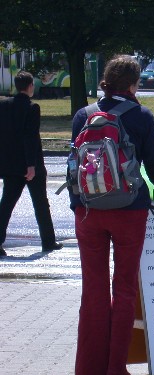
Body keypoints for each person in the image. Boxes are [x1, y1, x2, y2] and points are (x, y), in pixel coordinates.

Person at [70, 55, 154, 375]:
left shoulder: (83, 114)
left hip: (88, 213)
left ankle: (88, 368)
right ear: (132, 85)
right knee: (124, 288)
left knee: (93, 289)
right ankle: (116, 368)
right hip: (129, 212)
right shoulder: (140, 115)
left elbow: (73, 163)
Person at [0, 71, 63, 257]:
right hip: (31, 163)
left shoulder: (4, 105)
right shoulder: (32, 107)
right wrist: (31, 165)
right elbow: (30, 138)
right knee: (40, 203)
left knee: (7, 204)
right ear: (30, 86)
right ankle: (48, 241)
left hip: (11, 165)